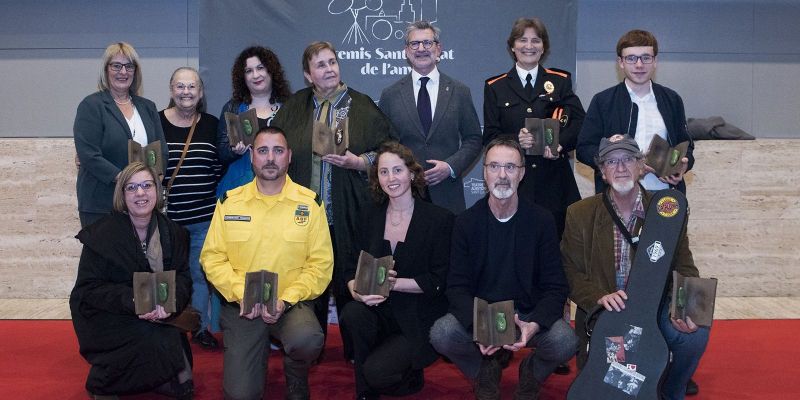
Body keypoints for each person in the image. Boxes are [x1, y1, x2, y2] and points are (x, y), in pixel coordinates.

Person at [561, 135, 709, 400]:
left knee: (695, 335)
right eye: (611, 161)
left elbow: (685, 266)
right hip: (608, 312)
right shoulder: (579, 213)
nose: (620, 168)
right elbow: (571, 272)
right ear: (602, 173)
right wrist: (598, 297)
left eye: (628, 159)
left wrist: (687, 310)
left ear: (642, 167)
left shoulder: (667, 210)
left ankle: (672, 390)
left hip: (655, 308)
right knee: (615, 386)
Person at [429, 137, 578, 400]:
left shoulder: (542, 221)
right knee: (442, 333)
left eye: (510, 167)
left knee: (565, 341)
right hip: (482, 313)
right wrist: (480, 327)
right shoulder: (465, 223)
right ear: (484, 172)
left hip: (527, 314)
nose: (502, 175)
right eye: (494, 166)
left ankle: (532, 372)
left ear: (521, 173)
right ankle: (484, 371)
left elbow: (556, 286)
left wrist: (534, 324)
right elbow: (457, 288)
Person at [272, 41, 392, 359]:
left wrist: (359, 162)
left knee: (347, 278)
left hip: (348, 211)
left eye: (332, 62)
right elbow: (275, 147)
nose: (329, 69)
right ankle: (308, 346)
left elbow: (388, 150)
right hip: (302, 217)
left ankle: (356, 349)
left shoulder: (362, 105)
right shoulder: (294, 107)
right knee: (306, 281)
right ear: (308, 74)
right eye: (320, 65)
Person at [200, 127, 333, 400]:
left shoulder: (310, 204)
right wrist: (242, 294)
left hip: (289, 306)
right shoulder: (229, 203)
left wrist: (286, 299)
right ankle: (252, 364)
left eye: (278, 150)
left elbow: (320, 265)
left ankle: (296, 371)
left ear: (289, 157)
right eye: (263, 150)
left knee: (307, 340)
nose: (270, 158)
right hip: (242, 308)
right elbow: (211, 258)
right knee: (241, 395)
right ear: (251, 156)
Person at [339, 142, 454, 400]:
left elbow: (439, 279)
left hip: (417, 315)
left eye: (397, 170)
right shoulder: (369, 215)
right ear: (376, 178)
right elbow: (349, 267)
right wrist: (357, 293)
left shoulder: (439, 219)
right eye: (383, 172)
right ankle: (365, 393)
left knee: (378, 373)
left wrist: (394, 284)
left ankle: (407, 374)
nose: (391, 178)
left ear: (412, 174)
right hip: (376, 311)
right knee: (352, 314)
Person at [69, 162, 193, 400]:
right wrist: (134, 300)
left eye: (147, 185)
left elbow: (184, 278)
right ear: (122, 195)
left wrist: (169, 303)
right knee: (152, 337)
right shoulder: (101, 235)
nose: (140, 193)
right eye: (131, 187)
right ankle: (104, 385)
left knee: (171, 345)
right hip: (109, 315)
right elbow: (88, 290)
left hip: (159, 312)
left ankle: (156, 378)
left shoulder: (175, 233)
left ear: (157, 190)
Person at [483, 17, 585, 238]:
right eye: (522, 40)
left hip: (554, 182)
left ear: (544, 47)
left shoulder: (560, 81)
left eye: (536, 41)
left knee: (555, 248)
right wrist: (515, 140)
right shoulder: (495, 86)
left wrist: (560, 144)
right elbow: (490, 136)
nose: (529, 46)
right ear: (512, 46)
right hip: (516, 184)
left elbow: (579, 122)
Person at [378, 20, 482, 214]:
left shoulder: (460, 91)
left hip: (447, 197)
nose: (421, 49)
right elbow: (384, 144)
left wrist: (451, 166)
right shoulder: (390, 95)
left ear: (438, 48)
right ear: (407, 51)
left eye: (427, 43)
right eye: (414, 44)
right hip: (404, 196)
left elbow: (474, 139)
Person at [576, 29, 695, 195]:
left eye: (646, 58)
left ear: (655, 61)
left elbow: (686, 146)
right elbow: (584, 149)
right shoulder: (603, 101)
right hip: (617, 195)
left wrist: (683, 165)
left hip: (664, 194)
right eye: (631, 58)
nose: (639, 65)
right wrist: (612, 159)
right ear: (621, 62)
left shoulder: (672, 99)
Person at [159, 67, 222, 349]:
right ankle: (165, 327)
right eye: (180, 86)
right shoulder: (156, 122)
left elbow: (219, 165)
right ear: (172, 90)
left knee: (199, 275)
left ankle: (197, 328)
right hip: (167, 220)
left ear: (201, 92)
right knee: (166, 276)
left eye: (192, 87)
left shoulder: (211, 124)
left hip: (203, 219)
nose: (186, 92)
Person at [74, 42, 168, 227]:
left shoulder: (148, 107)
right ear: (106, 70)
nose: (123, 72)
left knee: (138, 256)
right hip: (101, 203)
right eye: (116, 66)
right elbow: (88, 155)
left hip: (140, 204)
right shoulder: (91, 105)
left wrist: (153, 180)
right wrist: (126, 178)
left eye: (129, 66)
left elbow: (161, 151)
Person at [216, 46, 292, 195]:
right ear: (242, 77)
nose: (255, 75)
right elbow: (221, 153)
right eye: (248, 71)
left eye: (260, 68)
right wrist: (234, 151)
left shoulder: (290, 105)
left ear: (271, 71)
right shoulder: (233, 107)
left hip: (282, 189)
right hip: (239, 189)